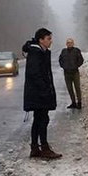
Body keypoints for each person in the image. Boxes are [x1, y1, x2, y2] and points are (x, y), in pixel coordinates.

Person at [22, 28, 61, 159]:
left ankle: (35, 147)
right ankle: (44, 148)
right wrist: (44, 90)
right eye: (48, 39)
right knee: (42, 120)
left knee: (38, 120)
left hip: (38, 93)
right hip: (38, 94)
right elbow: (35, 74)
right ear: (41, 40)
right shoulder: (36, 53)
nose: (51, 41)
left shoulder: (41, 51)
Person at [58, 37, 84, 109]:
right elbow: (60, 60)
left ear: (73, 43)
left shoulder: (77, 50)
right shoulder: (63, 51)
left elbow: (81, 60)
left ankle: (79, 103)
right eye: (68, 43)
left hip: (75, 72)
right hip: (66, 73)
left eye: (71, 42)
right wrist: (63, 66)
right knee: (69, 88)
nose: (69, 44)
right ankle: (73, 102)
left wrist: (76, 66)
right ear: (66, 44)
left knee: (77, 88)